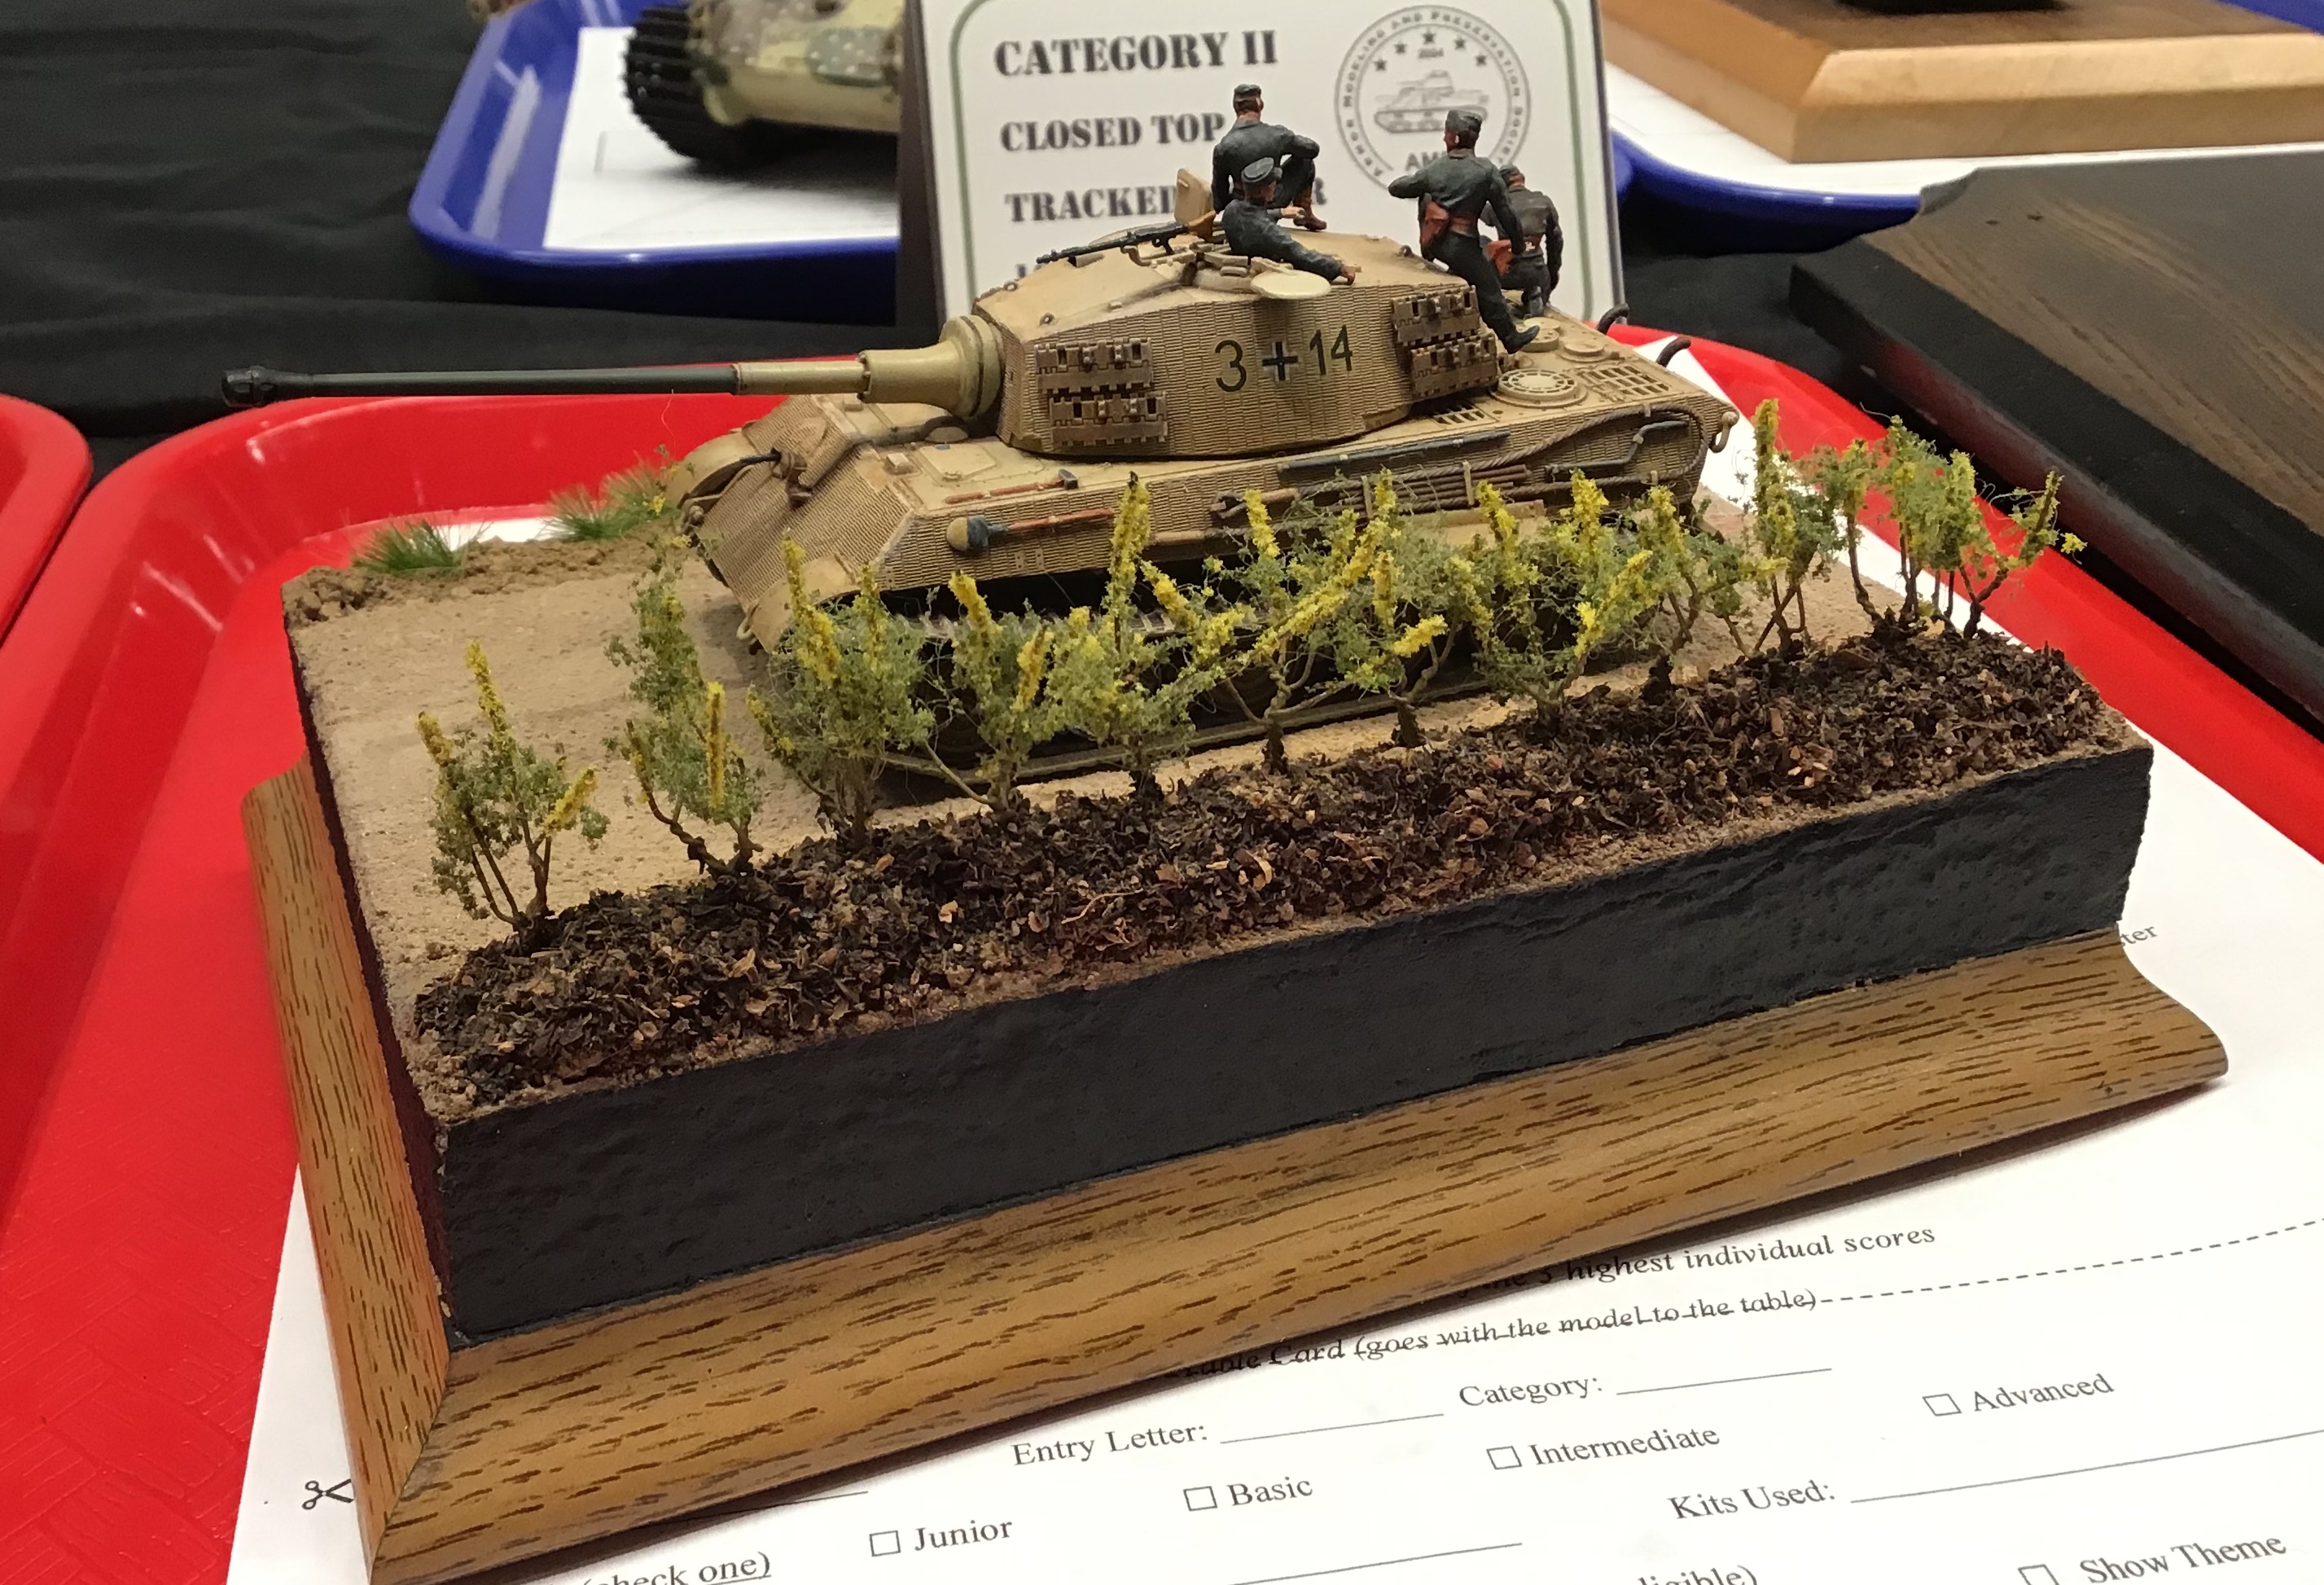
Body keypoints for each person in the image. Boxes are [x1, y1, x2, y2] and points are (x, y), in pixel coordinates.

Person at [1388, 109, 1537, 353]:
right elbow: (1507, 214)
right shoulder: (1486, 171)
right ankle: (1511, 339)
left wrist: (1426, 189)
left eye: (1446, 133)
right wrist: (1518, 245)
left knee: (1477, 256)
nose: (1444, 137)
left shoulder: (1435, 169)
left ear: (1455, 138)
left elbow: (1397, 188)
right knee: (1490, 287)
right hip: (1462, 244)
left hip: (1437, 244)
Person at [1210, 84, 1326, 231]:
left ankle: (1303, 213)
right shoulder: (1277, 135)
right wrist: (1288, 142)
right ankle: (1305, 213)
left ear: (1236, 108)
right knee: (1305, 160)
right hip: (1273, 200)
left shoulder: (1223, 147)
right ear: (1259, 104)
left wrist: (1231, 210)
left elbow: (1219, 196)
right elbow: (1312, 149)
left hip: (1242, 206)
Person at [1221, 156, 1348, 283]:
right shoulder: (1269, 231)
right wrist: (1338, 268)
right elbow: (1300, 254)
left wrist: (1281, 212)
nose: (1275, 186)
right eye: (1272, 184)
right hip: (1263, 265)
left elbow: (1253, 216)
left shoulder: (1232, 208)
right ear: (1262, 191)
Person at [1492, 165, 1563, 318]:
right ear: (1522, 178)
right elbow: (1556, 242)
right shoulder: (1544, 202)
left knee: (1484, 245)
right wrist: (1552, 273)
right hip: (1537, 272)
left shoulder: (1498, 205)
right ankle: (1534, 294)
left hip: (1506, 274)